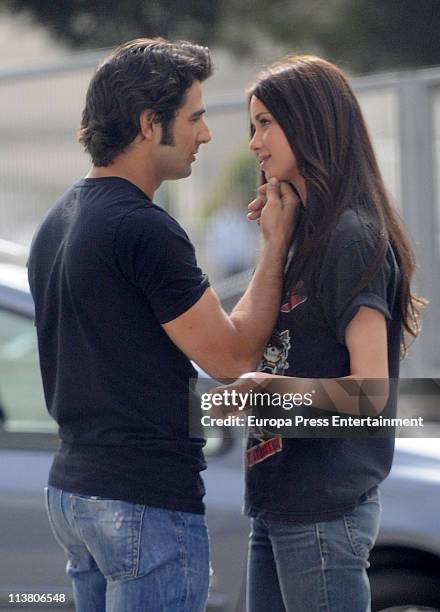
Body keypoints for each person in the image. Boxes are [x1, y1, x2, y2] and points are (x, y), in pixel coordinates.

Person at [27, 39, 299, 612]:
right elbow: (231, 359)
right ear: (150, 124)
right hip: (142, 502)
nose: (206, 134)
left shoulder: (60, 219)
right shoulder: (142, 228)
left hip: (76, 491)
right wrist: (274, 248)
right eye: (195, 117)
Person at [221, 55, 425, 612]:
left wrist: (270, 389)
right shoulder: (301, 234)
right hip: (277, 498)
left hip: (323, 510)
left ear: (309, 123)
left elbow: (370, 393)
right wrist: (275, 240)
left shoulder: (351, 237)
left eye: (266, 123)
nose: (255, 142)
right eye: (253, 125)